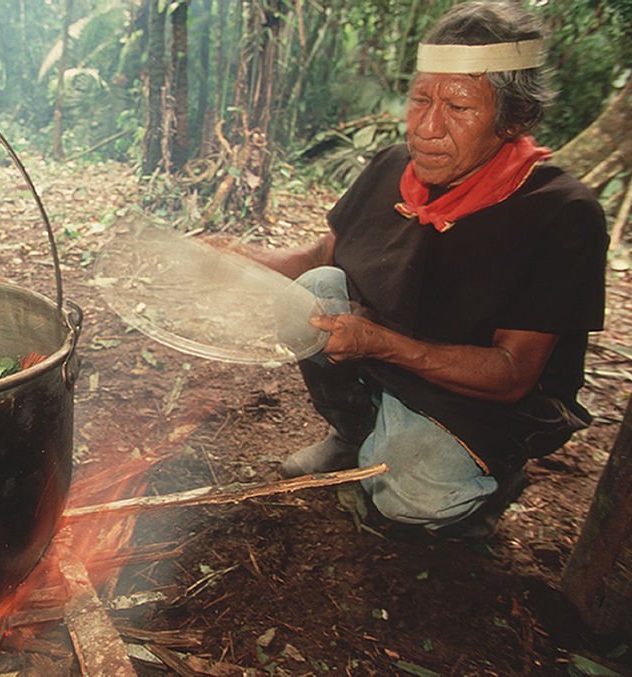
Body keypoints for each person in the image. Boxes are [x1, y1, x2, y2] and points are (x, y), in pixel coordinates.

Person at [235, 1, 607, 537]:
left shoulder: (561, 212)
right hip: (390, 356)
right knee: (313, 293)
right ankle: (356, 433)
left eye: (458, 107)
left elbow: (511, 375)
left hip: (481, 401)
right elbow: (320, 259)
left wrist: (377, 344)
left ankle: (488, 480)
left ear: (514, 119)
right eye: (421, 99)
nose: (427, 127)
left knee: (405, 500)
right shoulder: (394, 165)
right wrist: (240, 258)